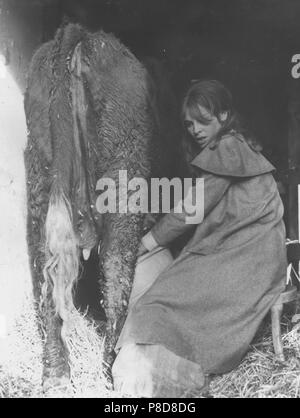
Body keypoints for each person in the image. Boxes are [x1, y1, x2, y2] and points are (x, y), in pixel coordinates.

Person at [112, 80, 287, 397]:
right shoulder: (235, 146)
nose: (194, 129)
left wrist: (148, 242)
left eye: (202, 121)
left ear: (223, 115)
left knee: (163, 299)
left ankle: (168, 372)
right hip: (258, 252)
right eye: (189, 123)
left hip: (249, 255)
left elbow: (191, 210)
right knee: (179, 285)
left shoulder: (228, 149)